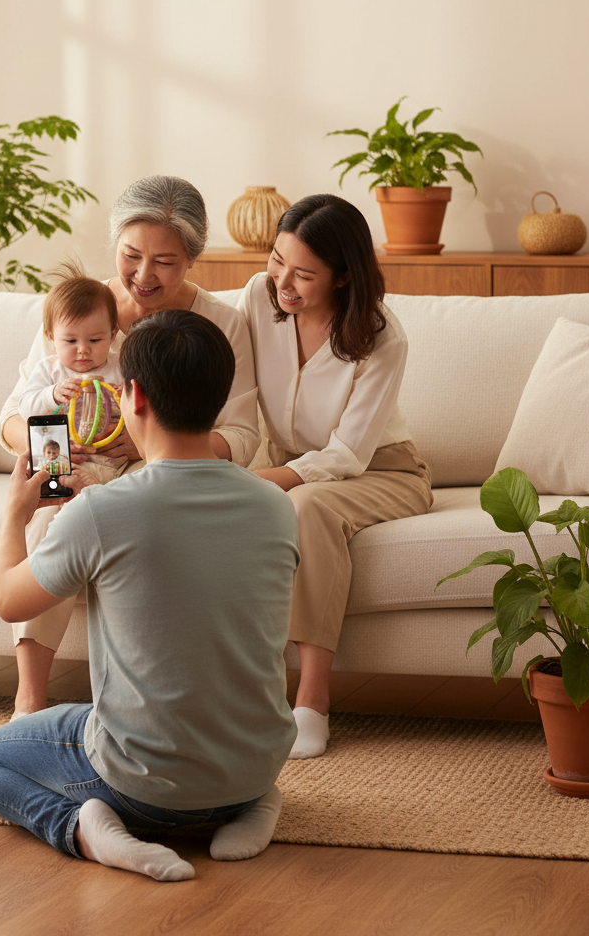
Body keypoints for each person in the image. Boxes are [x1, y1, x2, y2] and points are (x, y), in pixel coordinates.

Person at [0, 309, 299, 882]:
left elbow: (8, 600)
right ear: (217, 400)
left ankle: (86, 831)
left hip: (144, 784)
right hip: (256, 764)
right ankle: (254, 803)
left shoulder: (103, 511)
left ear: (134, 397)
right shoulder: (276, 506)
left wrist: (14, 514)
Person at [0, 176, 260, 718]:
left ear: (191, 259)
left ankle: (151, 706)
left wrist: (143, 445)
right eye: (131, 255)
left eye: (164, 260)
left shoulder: (222, 324)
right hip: (76, 466)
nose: (143, 275)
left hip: (171, 478)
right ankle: (29, 697)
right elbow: (11, 414)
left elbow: (243, 436)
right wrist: (52, 433)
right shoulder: (79, 311)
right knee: (51, 522)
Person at [238, 193, 433, 760]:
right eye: (277, 260)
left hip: (382, 470)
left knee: (308, 507)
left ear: (345, 277)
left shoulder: (381, 336)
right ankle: (241, 694)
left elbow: (347, 454)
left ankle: (312, 702)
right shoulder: (258, 296)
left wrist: (270, 480)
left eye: (304, 274)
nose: (283, 283)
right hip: (284, 461)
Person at [17, 267, 126, 483]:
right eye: (70, 341)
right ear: (51, 338)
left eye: (94, 340)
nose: (83, 349)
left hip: (107, 464)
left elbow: (143, 410)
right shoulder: (49, 370)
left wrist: (123, 397)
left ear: (113, 335)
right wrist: (53, 394)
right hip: (58, 461)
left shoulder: (120, 367)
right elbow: (25, 407)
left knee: (95, 498)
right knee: (48, 503)